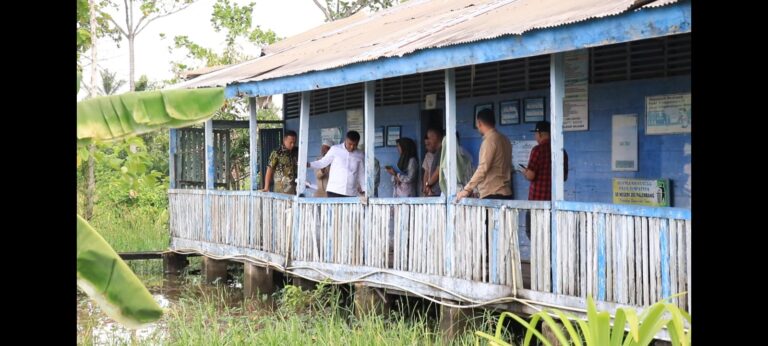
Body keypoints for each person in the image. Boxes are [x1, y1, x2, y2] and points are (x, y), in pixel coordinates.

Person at [522, 121, 569, 238]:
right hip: (555, 202)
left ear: (541, 134)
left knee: (533, 234)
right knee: (551, 235)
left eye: (536, 134)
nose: (535, 136)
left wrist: (525, 172)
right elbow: (564, 177)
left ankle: (540, 256)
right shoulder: (562, 152)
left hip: (536, 203)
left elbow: (531, 176)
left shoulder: (537, 150)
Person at [455, 108, 513, 201]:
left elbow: (483, 168)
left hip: (493, 194)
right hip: (507, 193)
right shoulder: (505, 139)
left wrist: (467, 189)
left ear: (479, 123)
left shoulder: (489, 141)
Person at [307, 131, 365, 197]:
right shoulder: (335, 149)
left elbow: (361, 174)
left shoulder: (360, 154)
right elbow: (322, 163)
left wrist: (364, 190)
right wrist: (309, 164)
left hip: (351, 192)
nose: (352, 147)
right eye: (350, 144)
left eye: (355, 145)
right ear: (346, 140)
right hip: (334, 191)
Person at [263, 130, 298, 195]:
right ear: (284, 140)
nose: (292, 145)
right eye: (290, 142)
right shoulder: (276, 153)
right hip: (281, 188)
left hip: (295, 187)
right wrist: (266, 187)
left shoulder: (297, 151)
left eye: (294, 142)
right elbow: (269, 169)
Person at [422, 128, 443, 196]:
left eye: (429, 139)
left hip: (437, 192)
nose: (428, 143)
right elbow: (426, 173)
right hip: (433, 191)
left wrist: (428, 184)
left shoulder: (441, 151)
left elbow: (438, 172)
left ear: (434, 137)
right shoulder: (437, 152)